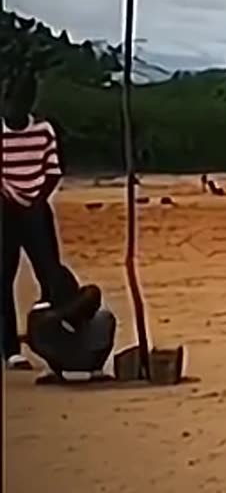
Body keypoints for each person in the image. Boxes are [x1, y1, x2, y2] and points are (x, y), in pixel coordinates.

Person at [2, 71, 67, 371]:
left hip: (37, 207)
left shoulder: (43, 130)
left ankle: (54, 338)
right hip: (5, 207)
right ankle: (10, 349)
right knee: (4, 277)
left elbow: (53, 170)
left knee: (50, 273)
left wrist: (38, 200)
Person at [26, 264, 117, 383]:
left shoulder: (40, 317)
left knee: (39, 320)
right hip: (89, 359)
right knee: (103, 316)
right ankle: (94, 367)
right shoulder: (102, 318)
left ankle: (55, 366)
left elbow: (34, 340)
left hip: (59, 357)